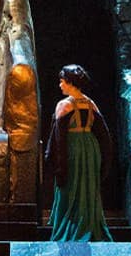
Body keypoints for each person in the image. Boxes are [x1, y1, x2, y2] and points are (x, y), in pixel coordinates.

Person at [44, 64, 114, 242]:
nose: (60, 85)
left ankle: (71, 227)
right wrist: (104, 160)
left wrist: (54, 161)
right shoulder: (91, 104)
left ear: (70, 82)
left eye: (62, 81)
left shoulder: (64, 105)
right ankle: (88, 224)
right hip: (90, 150)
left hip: (72, 149)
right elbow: (104, 135)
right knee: (87, 188)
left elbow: (58, 137)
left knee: (69, 186)